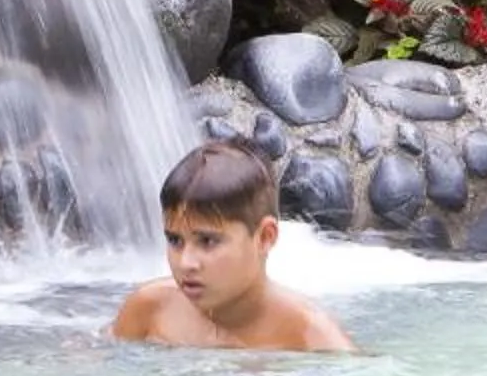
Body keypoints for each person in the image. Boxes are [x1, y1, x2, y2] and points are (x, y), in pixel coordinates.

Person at [111, 138, 356, 353]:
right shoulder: (149, 310)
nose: (186, 262)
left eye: (207, 241)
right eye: (175, 240)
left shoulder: (311, 335)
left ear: (265, 237)